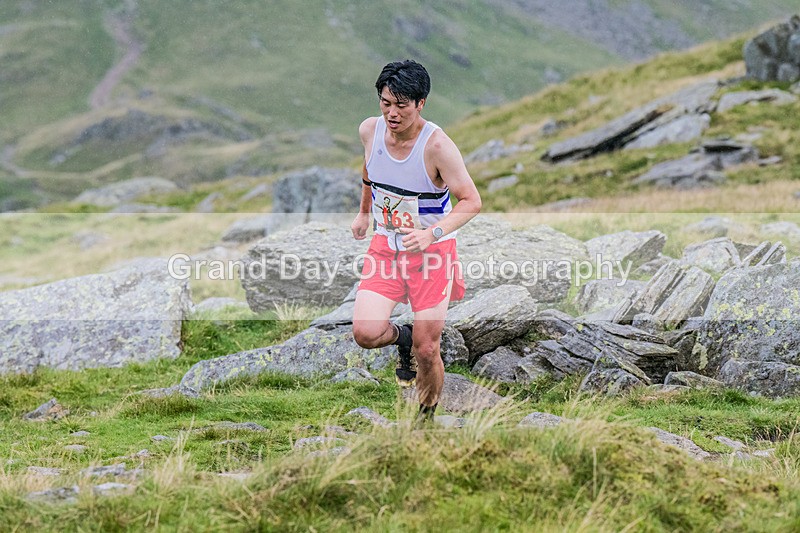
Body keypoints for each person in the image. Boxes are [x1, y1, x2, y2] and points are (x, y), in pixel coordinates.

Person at [351, 60, 481, 424]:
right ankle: (401, 338)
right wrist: (364, 213)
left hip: (431, 255)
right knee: (365, 332)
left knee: (428, 349)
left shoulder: (437, 147)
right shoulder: (370, 131)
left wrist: (431, 233)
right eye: (386, 102)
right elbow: (369, 172)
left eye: (401, 105)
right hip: (385, 248)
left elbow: (472, 201)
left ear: (420, 103)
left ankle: (424, 420)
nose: (392, 113)